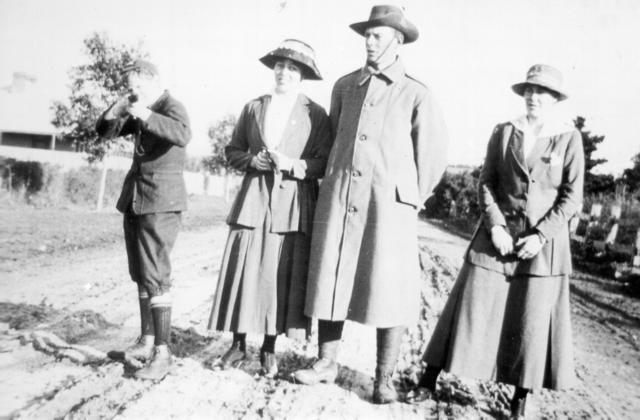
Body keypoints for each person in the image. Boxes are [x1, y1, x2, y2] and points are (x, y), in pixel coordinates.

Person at [406, 64, 584, 419]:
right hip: (496, 238)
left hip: (543, 248)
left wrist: (540, 236)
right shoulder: (505, 131)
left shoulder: (568, 138)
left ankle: (520, 398)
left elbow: (571, 197)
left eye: (543, 93)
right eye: (530, 90)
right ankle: (428, 380)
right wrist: (497, 227)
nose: (534, 97)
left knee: (531, 321)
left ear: (554, 100)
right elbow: (486, 182)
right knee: (467, 306)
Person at [292, 5, 449, 404]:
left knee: (387, 288)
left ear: (398, 41)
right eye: (367, 34)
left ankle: (383, 377)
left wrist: (406, 198)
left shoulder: (416, 93)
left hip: (387, 207)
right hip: (342, 197)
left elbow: (431, 158)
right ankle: (326, 362)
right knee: (331, 274)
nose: (370, 41)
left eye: (378, 35)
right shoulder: (345, 86)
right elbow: (336, 141)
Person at [207, 39, 332, 378]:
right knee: (245, 269)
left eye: (292, 68)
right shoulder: (253, 107)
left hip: (291, 204)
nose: (284, 72)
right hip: (253, 199)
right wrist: (253, 160)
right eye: (279, 65)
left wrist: (292, 164)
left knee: (279, 275)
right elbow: (232, 151)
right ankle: (238, 344)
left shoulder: (315, 114)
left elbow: (323, 162)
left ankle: (268, 349)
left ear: (303, 75)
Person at [96, 59, 191, 381]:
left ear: (154, 81)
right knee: (140, 272)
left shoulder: (170, 106)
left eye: (138, 87)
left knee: (156, 275)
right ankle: (146, 340)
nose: (134, 92)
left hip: (161, 203)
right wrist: (120, 105)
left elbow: (182, 134)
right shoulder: (139, 106)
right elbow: (104, 131)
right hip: (137, 200)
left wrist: (146, 115)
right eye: (131, 87)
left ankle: (162, 353)